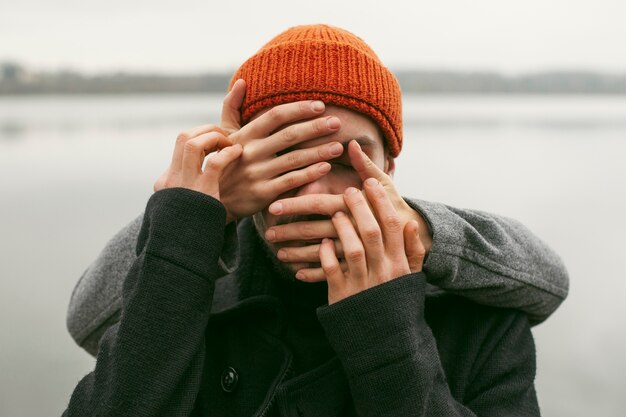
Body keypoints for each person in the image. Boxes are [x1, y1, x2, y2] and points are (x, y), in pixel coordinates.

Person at [64, 25, 567, 416]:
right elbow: (87, 325)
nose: (311, 191)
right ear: (238, 162)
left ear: (389, 168)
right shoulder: (193, 303)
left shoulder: (479, 321)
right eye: (284, 159)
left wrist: (385, 327)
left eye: (348, 160)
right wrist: (189, 216)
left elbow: (550, 281)